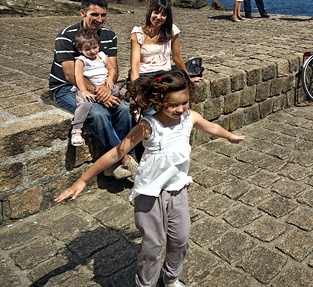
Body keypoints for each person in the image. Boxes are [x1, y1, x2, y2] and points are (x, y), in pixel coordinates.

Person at [55, 70, 246, 287]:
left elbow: (210, 127)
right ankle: (145, 284)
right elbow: (116, 152)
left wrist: (229, 136)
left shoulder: (189, 117)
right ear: (157, 101)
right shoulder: (148, 126)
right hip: (149, 194)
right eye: (173, 105)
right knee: (153, 245)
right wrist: (83, 180)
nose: (180, 109)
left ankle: (171, 278)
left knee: (180, 240)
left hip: (177, 190)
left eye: (184, 102)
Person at [49, 0, 136, 179]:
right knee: (98, 113)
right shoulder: (65, 36)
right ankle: (126, 161)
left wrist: (107, 85)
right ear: (83, 13)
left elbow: (112, 68)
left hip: (100, 84)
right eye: (94, 14)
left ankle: (118, 163)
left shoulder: (109, 36)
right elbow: (71, 74)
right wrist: (100, 93)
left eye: (103, 15)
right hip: (67, 88)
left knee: (124, 109)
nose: (99, 19)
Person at [71, 30, 127, 146]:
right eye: (87, 49)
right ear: (80, 50)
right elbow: (78, 76)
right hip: (90, 88)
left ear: (99, 45)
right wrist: (83, 90)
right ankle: (76, 129)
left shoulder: (102, 55)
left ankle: (137, 110)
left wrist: (110, 79)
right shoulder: (81, 60)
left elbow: (111, 69)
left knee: (125, 92)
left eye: (95, 47)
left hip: (106, 85)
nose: (92, 51)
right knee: (85, 104)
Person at [130, 0, 202, 83]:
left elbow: (177, 57)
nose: (159, 17)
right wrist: (135, 87)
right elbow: (134, 66)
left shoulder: (171, 31)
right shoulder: (138, 34)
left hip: (165, 75)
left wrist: (188, 78)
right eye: (156, 13)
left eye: (163, 15)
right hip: (144, 76)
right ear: (150, 13)